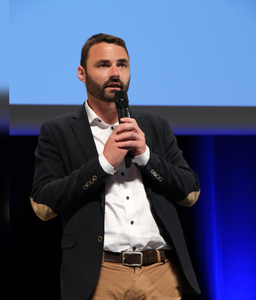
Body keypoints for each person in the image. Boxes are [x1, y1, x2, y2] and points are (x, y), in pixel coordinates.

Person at [30, 33, 201, 300]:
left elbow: (190, 193)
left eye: (122, 65)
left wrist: (145, 156)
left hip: (160, 272)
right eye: (103, 65)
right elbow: (43, 206)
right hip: (100, 275)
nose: (115, 73)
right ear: (81, 73)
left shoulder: (155, 125)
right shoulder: (57, 131)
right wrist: (103, 163)